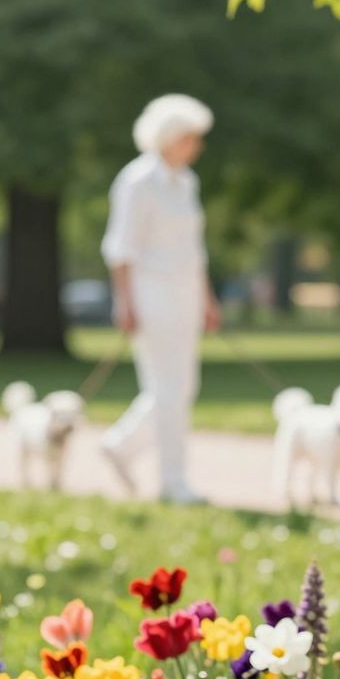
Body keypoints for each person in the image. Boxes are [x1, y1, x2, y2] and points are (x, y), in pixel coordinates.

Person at [100, 94, 222, 505]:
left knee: (182, 387)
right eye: (191, 138)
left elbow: (194, 248)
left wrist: (207, 298)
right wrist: (125, 302)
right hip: (150, 292)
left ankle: (120, 444)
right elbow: (121, 248)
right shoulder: (136, 180)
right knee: (167, 389)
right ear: (171, 138)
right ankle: (173, 482)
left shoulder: (188, 182)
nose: (197, 146)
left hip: (186, 291)